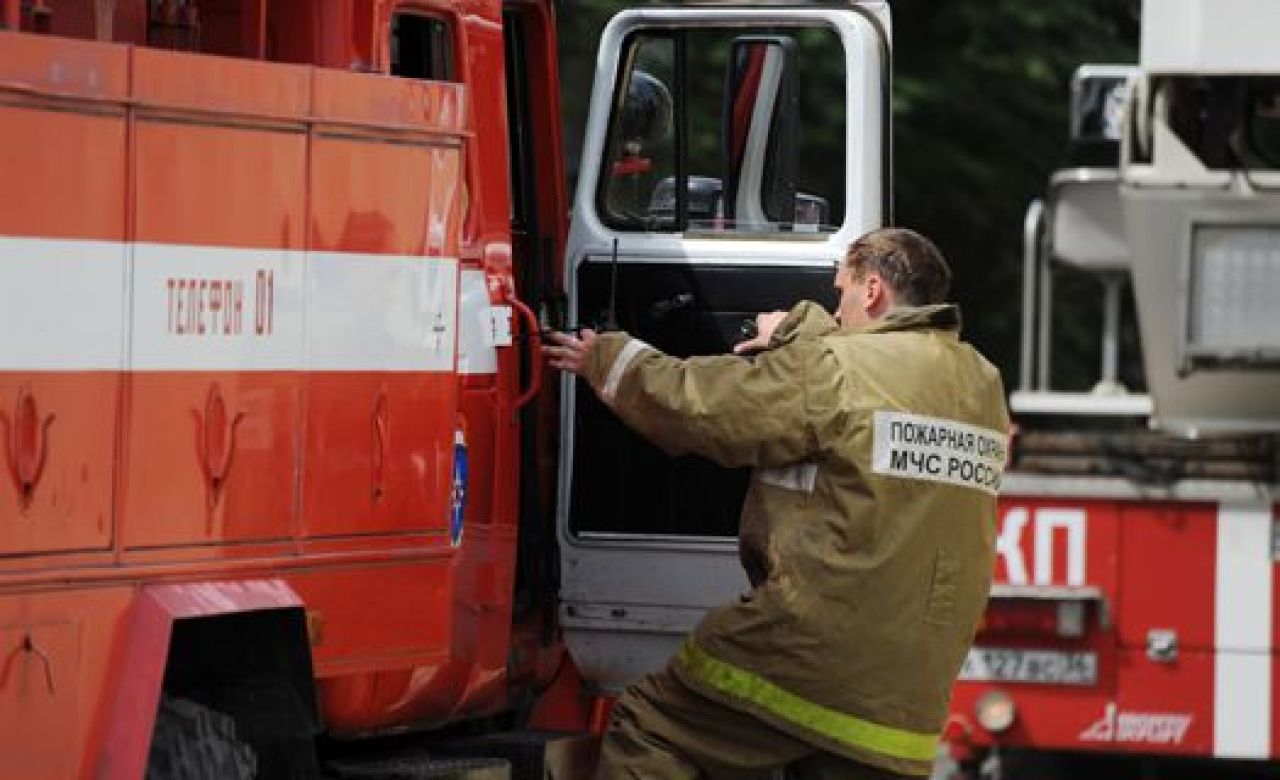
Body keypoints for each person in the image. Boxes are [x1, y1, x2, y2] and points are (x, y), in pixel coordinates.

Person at [545, 228, 1010, 779]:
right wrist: (800, 336)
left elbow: (707, 408)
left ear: (872, 292)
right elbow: (867, 411)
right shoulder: (980, 382)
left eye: (840, 294)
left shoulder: (838, 369)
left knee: (655, 727)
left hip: (810, 652)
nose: (836, 312)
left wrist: (611, 360)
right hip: (905, 699)